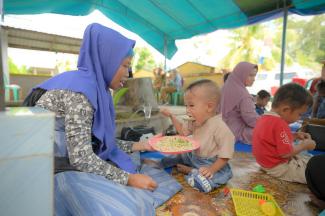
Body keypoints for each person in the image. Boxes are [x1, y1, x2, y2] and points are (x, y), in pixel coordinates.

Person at [23, 23, 181, 215]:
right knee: (121, 207)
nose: (129, 73)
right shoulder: (79, 92)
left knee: (135, 168)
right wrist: (128, 179)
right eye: (125, 66)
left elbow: (98, 142)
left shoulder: (98, 89)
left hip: (68, 158)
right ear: (107, 60)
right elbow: (81, 157)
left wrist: (141, 146)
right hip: (51, 167)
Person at [159, 79, 235, 193]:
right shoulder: (194, 121)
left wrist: (211, 170)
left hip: (211, 162)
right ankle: (167, 164)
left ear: (209, 107)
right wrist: (171, 116)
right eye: (186, 106)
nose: (187, 110)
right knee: (178, 155)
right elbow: (183, 133)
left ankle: (192, 171)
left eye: (191, 106)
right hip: (194, 156)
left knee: (214, 178)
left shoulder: (220, 127)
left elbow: (225, 155)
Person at [252, 83, 315, 184]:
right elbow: (286, 154)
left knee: (308, 161)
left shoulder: (265, 117)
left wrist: (295, 136)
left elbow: (274, 139)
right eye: (299, 114)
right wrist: (304, 146)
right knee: (313, 174)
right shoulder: (280, 123)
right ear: (285, 110)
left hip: (265, 163)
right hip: (278, 167)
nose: (299, 118)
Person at [220, 62, 259, 144]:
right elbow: (251, 119)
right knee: (267, 133)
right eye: (251, 75)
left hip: (219, 128)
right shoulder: (244, 95)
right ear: (242, 74)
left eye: (254, 76)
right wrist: (266, 124)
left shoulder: (225, 87)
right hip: (235, 132)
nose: (254, 79)